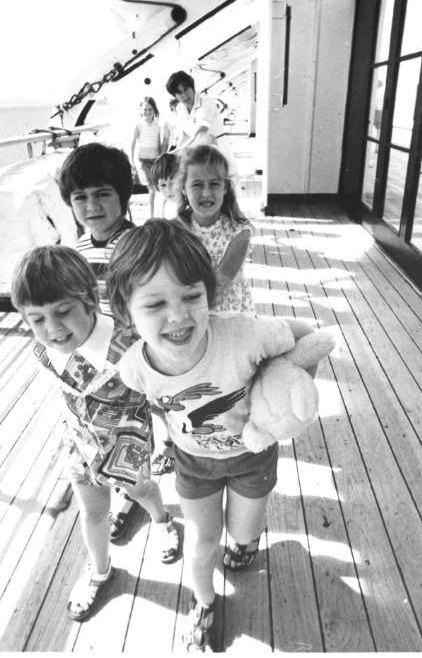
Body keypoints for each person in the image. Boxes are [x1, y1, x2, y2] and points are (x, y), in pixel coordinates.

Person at [106, 218, 313, 651]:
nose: (178, 316)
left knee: (243, 531)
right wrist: (156, 440)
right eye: (155, 304)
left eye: (191, 296)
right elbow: (150, 405)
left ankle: (247, 540)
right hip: (194, 465)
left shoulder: (244, 334)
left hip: (252, 456)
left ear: (209, 293)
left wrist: (289, 392)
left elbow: (304, 335)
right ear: (126, 311)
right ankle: (203, 602)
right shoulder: (133, 368)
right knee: (202, 542)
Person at [10, 246, 180, 622]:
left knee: (142, 490)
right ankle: (101, 571)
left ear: (89, 300)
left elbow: (162, 386)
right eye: (36, 319)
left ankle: (162, 519)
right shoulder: (42, 349)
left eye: (63, 311)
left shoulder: (130, 342)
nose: (52, 329)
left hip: (128, 443)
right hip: (80, 445)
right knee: (92, 512)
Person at [57, 142, 139, 541]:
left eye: (103, 193)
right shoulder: (74, 251)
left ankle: (130, 493)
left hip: (136, 354)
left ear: (123, 196)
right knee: (99, 427)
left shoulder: (142, 244)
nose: (92, 205)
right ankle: (108, 480)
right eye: (80, 197)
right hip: (92, 359)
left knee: (134, 428)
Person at [177, 144, 254, 314]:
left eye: (214, 184)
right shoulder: (177, 229)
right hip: (189, 309)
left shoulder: (239, 232)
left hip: (227, 313)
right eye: (197, 185)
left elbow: (221, 284)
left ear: (225, 187)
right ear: (184, 189)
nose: (206, 193)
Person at [165, 70, 238, 181]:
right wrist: (174, 155)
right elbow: (184, 135)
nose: (184, 95)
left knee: (225, 187)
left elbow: (201, 132)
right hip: (200, 158)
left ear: (192, 87)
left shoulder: (206, 103)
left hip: (218, 151)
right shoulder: (180, 109)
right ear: (175, 96)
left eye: (186, 90)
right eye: (179, 93)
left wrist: (181, 150)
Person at [130, 97, 162, 217]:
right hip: (143, 161)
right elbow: (132, 144)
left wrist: (160, 159)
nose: (147, 112)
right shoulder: (138, 126)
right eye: (145, 109)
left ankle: (157, 213)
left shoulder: (158, 126)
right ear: (141, 111)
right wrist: (131, 161)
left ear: (154, 111)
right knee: (152, 189)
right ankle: (152, 215)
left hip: (155, 161)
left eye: (150, 109)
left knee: (157, 189)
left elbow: (158, 144)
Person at [150, 152, 180, 220]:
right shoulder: (162, 206)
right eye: (163, 185)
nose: (168, 189)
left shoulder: (193, 207)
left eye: (173, 182)